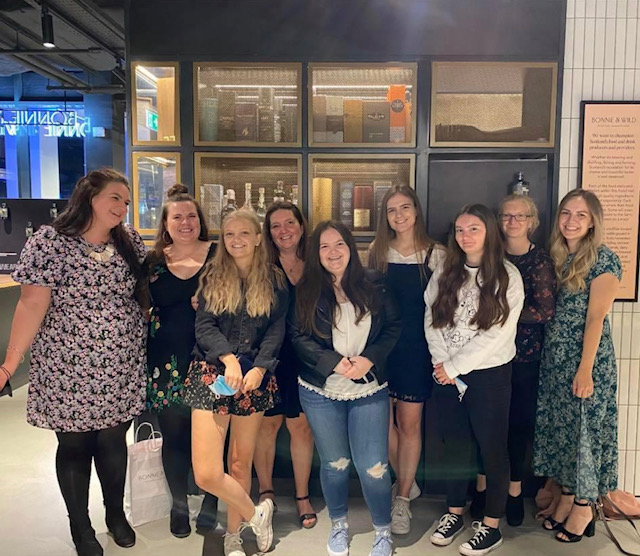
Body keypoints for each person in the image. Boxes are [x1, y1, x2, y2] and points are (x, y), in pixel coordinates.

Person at [0, 169, 147, 556]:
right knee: (76, 446)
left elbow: (144, 295)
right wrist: (10, 363)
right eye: (115, 197)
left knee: (115, 441)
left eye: (126, 201)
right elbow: (31, 304)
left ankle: (115, 515)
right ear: (89, 196)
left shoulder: (129, 240)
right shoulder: (50, 242)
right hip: (68, 368)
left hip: (121, 363)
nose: (122, 207)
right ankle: (80, 526)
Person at [290, 220, 401, 556]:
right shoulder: (305, 289)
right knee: (335, 463)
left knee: (374, 467)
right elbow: (297, 335)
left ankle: (383, 531)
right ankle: (339, 526)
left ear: (350, 247)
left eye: (339, 244)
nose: (332, 252)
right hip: (321, 390)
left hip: (368, 387)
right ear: (316, 253)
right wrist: (333, 363)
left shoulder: (374, 284)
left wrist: (369, 359)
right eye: (324, 247)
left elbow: (393, 326)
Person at [184, 209, 288, 556]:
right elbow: (204, 325)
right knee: (207, 473)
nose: (237, 240)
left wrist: (259, 369)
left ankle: (234, 535)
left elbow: (276, 331)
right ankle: (257, 513)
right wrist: (228, 359)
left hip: (253, 381)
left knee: (240, 463)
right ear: (222, 240)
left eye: (244, 233)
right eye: (229, 235)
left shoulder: (274, 280)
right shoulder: (213, 275)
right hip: (213, 377)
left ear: (259, 238)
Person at [424, 204, 524, 556]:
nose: (465, 236)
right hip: (446, 374)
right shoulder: (445, 271)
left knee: (492, 449)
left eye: (474, 229)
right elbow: (431, 316)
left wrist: (455, 367)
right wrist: (442, 363)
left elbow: (496, 335)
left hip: (490, 376)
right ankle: (454, 513)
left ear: (489, 233)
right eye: (461, 230)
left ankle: (491, 525)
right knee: (455, 447)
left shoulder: (507, 276)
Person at [533, 189, 621, 543]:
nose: (571, 221)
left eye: (580, 215)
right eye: (566, 213)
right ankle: (567, 496)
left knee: (585, 430)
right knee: (564, 432)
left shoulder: (604, 259)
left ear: (593, 221)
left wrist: (585, 369)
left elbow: (596, 317)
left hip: (587, 359)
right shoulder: (554, 257)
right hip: (554, 359)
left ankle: (585, 506)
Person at [470, 195, 556, 526]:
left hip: (523, 359)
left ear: (532, 221)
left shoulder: (540, 262)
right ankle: (482, 488)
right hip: (487, 358)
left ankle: (515, 492)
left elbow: (545, 311)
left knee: (517, 429)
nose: (513, 222)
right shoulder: (489, 257)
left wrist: (503, 317)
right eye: (507, 216)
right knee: (485, 429)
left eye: (520, 216)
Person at [368, 185, 445, 535]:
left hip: (417, 348)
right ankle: (406, 479)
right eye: (391, 210)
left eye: (405, 208)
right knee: (382, 425)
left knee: (410, 424)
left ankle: (402, 501)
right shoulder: (376, 251)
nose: (398, 216)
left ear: (417, 210)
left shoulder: (437, 255)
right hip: (382, 348)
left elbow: (446, 308)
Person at [143, 184, 218, 538]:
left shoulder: (219, 255)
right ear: (166, 223)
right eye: (177, 217)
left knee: (216, 436)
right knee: (174, 437)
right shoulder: (154, 260)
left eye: (191, 216)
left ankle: (212, 501)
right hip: (164, 361)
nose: (185, 222)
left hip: (212, 358)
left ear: (200, 220)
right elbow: (138, 306)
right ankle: (177, 506)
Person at [253, 201, 317, 529]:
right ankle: (266, 491)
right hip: (270, 356)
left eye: (289, 223)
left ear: (301, 226)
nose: (283, 231)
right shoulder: (261, 265)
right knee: (267, 425)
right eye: (276, 225)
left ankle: (303, 495)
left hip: (308, 358)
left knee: (301, 426)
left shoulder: (317, 262)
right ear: (268, 232)